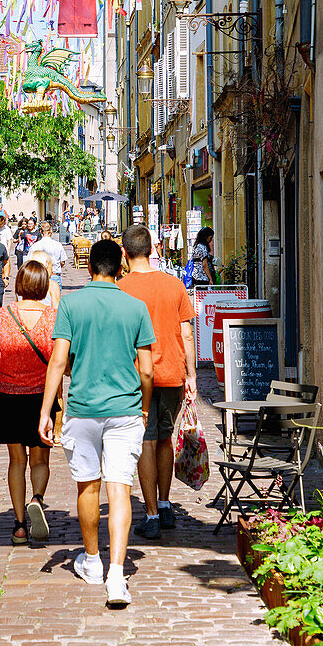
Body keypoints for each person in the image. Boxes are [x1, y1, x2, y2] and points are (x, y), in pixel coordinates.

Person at [39, 239, 155, 609]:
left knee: (87, 488)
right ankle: (117, 575)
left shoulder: (71, 304)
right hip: (125, 410)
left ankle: (92, 561)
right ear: (120, 267)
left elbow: (58, 362)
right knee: (119, 488)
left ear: (89, 267)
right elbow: (148, 370)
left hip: (84, 409)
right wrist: (145, 409)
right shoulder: (136, 307)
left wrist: (46, 411)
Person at [119, 224, 197, 540]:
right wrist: (191, 375)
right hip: (173, 373)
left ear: (124, 253)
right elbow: (187, 333)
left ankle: (151, 513)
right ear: (153, 249)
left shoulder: (120, 288)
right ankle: (165, 505)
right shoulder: (174, 285)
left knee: (145, 442)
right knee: (165, 437)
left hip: (137, 375)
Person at [0, 260, 58, 545]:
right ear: (43, 287)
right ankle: (37, 498)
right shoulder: (53, 317)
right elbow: (62, 361)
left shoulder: (5, 315)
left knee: (17, 460)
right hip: (42, 397)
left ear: (19, 285)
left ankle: (18, 526)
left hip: (8, 395)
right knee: (40, 458)